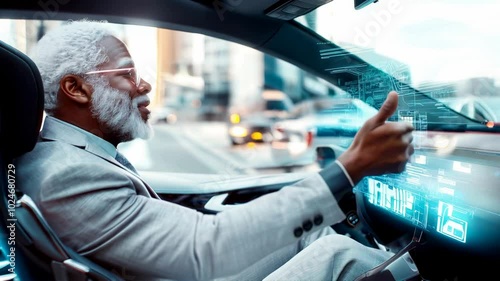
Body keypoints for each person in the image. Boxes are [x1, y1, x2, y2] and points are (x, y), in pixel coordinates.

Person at [15, 20, 414, 281]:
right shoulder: (66, 172)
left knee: (308, 236)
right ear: (76, 89)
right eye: (127, 73)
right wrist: (349, 168)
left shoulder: (65, 156)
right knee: (340, 254)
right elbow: (204, 249)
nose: (144, 86)